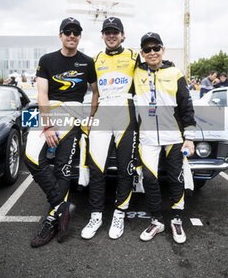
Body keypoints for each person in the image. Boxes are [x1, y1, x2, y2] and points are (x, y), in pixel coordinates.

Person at [25, 17, 98, 247]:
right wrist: (47, 125)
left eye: (76, 32)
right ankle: (62, 206)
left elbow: (96, 92)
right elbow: (42, 95)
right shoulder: (47, 59)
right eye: (68, 31)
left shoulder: (87, 62)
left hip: (73, 115)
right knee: (30, 157)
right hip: (50, 112)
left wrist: (92, 116)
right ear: (60, 35)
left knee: (63, 169)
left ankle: (51, 220)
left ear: (80, 36)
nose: (72, 35)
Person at [134, 32, 196, 244]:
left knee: (175, 177)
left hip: (174, 136)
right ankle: (156, 220)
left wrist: (189, 137)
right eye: (147, 49)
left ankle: (177, 219)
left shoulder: (175, 72)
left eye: (156, 48)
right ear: (142, 53)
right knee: (150, 179)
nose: (152, 52)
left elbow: (187, 106)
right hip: (148, 137)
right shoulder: (136, 73)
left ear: (163, 50)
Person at [81, 17, 140, 240]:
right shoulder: (96, 59)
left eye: (115, 32)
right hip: (103, 112)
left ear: (123, 35)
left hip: (126, 111)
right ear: (103, 36)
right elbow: (94, 92)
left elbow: (150, 72)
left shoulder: (134, 55)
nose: (111, 35)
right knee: (96, 168)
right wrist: (90, 116)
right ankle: (96, 216)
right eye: (107, 32)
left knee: (126, 168)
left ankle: (119, 213)